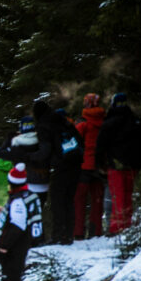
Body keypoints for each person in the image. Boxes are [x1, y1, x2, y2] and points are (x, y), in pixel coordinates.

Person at [95, 93, 141, 235]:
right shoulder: (136, 121)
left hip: (116, 166)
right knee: (127, 195)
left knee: (117, 196)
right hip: (133, 165)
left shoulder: (109, 123)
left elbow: (100, 146)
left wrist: (100, 164)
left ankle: (117, 228)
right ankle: (127, 226)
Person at [33, 100, 83, 245]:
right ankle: (68, 235)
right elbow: (79, 139)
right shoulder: (63, 121)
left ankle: (58, 235)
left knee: (58, 201)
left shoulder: (44, 126)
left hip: (61, 166)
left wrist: (30, 158)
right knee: (69, 200)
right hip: (76, 163)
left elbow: (45, 150)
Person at [74, 93, 106, 239]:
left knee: (79, 200)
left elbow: (75, 141)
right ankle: (96, 231)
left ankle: (78, 232)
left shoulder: (83, 124)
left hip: (84, 166)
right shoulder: (105, 122)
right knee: (97, 199)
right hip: (99, 166)